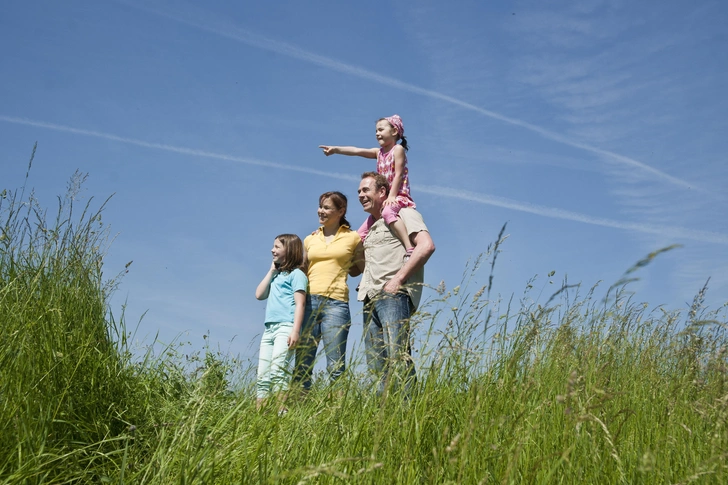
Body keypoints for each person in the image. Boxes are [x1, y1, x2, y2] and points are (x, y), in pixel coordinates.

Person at [356, 172, 435, 396]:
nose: (361, 195)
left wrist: (398, 279)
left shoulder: (404, 213)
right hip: (369, 297)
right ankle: (386, 418)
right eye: (359, 192)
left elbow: (426, 246)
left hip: (394, 295)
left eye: (365, 190)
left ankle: (408, 414)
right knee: (376, 365)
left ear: (382, 192)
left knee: (398, 357)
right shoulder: (370, 228)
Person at [319, 114, 416, 259]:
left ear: (394, 131)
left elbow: (399, 174)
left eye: (381, 130)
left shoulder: (397, 150)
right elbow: (357, 151)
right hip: (384, 199)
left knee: (388, 213)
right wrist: (336, 150)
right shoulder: (379, 153)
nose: (377, 133)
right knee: (360, 234)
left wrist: (392, 196)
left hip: (397, 196)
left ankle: (409, 247)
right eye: (376, 131)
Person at [294, 191, 363, 391]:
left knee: (336, 366)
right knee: (302, 364)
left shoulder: (353, 237)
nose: (321, 211)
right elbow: (303, 269)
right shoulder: (310, 239)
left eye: (326, 207)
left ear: (341, 211)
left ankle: (337, 415)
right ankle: (297, 412)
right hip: (308, 303)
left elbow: (358, 268)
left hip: (337, 304)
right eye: (320, 206)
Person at [254, 234, 307, 410]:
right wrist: (271, 271)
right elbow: (259, 295)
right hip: (269, 330)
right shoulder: (276, 276)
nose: (272, 250)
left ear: (289, 250)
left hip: (285, 328)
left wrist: (295, 331)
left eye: (277, 247)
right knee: (263, 376)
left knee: (278, 372)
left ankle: (281, 414)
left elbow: (300, 303)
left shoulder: (297, 275)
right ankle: (260, 417)